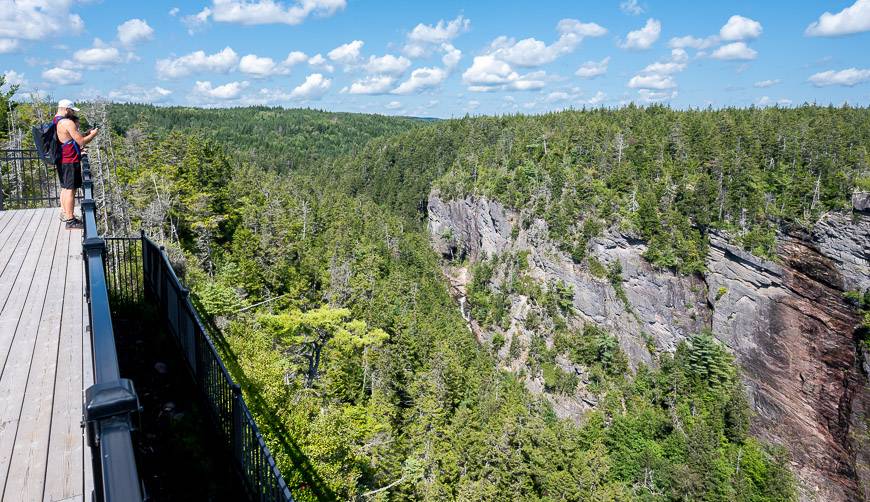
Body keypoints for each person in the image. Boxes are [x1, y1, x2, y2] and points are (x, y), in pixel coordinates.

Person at [54, 99, 98, 229]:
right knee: (70, 190)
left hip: (62, 159)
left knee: (65, 187)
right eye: (72, 110)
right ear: (67, 109)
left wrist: (84, 134)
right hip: (69, 160)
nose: (73, 113)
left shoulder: (56, 120)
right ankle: (70, 220)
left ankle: (64, 212)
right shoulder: (67, 122)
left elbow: (70, 138)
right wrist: (93, 135)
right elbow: (81, 142)